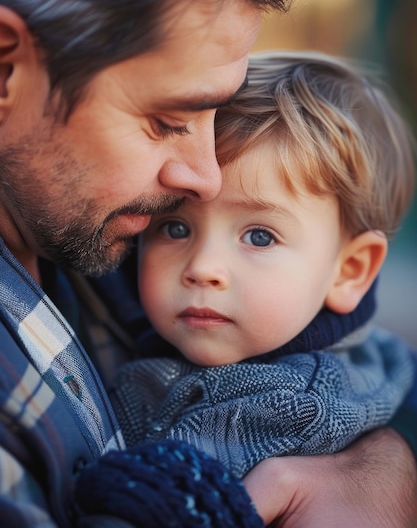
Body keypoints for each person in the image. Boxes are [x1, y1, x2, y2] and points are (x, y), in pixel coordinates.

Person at [0, 0, 415, 527]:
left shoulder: (95, 227)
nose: (204, 176)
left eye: (212, 120)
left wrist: (378, 469)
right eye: (167, 121)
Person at [106, 51, 414, 481]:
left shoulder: (288, 402)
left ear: (349, 271)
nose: (203, 268)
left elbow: (167, 502)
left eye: (259, 237)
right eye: (175, 228)